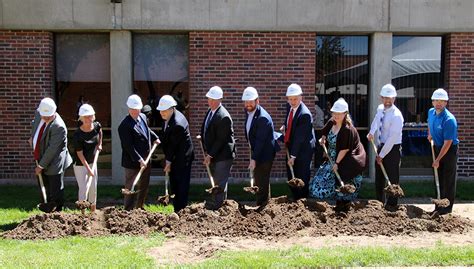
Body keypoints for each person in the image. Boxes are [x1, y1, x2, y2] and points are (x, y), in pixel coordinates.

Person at [309, 98, 366, 210]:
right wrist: (323, 139)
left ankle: (344, 196)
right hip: (332, 157)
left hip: (347, 159)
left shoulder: (347, 129)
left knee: (339, 191)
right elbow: (324, 133)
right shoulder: (332, 121)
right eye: (334, 113)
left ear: (345, 114)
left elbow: (344, 150)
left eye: (339, 114)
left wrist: (336, 164)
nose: (336, 116)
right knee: (316, 188)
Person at [28, 97, 73, 213]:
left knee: (55, 190)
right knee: (44, 187)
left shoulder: (59, 127)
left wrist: (40, 166)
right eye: (44, 116)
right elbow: (35, 126)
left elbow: (52, 150)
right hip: (41, 156)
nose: (46, 118)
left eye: (49, 116)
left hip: (54, 162)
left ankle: (57, 215)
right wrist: (33, 139)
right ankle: (45, 214)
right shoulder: (39, 114)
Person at [118, 94, 160, 210]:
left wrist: (155, 137)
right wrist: (139, 160)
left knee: (144, 186)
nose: (136, 111)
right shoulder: (124, 126)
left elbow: (146, 130)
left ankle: (140, 208)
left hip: (146, 159)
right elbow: (128, 146)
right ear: (129, 108)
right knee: (131, 186)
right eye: (133, 109)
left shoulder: (142, 116)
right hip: (132, 162)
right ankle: (128, 210)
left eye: (137, 109)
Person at [367, 84, 404, 209]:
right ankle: (379, 203)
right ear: (381, 98)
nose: (387, 101)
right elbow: (377, 120)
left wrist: (382, 155)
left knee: (392, 177)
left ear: (394, 98)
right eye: (385, 98)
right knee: (380, 177)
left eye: (390, 98)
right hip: (380, 145)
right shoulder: (380, 109)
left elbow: (392, 138)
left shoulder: (397, 116)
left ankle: (392, 205)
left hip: (392, 148)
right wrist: (372, 132)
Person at [242, 87, 280, 206]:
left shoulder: (262, 118)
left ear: (257, 101)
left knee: (261, 181)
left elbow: (260, 141)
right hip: (258, 150)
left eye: (251, 101)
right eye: (246, 101)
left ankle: (262, 207)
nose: (248, 104)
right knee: (261, 180)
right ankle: (264, 205)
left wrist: (254, 159)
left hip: (264, 154)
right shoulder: (250, 112)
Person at [157, 95, 195, 212]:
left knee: (181, 186)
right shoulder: (171, 116)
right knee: (175, 185)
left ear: (171, 108)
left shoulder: (177, 124)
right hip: (176, 156)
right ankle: (177, 209)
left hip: (182, 159)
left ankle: (181, 211)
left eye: (164, 111)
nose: (161, 113)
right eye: (160, 111)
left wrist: (168, 161)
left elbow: (173, 146)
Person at [200, 86, 235, 209]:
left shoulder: (223, 116)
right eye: (209, 99)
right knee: (216, 180)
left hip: (223, 155)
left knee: (219, 182)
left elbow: (221, 140)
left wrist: (210, 155)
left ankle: (218, 207)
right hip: (215, 153)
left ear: (220, 100)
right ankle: (217, 204)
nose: (211, 102)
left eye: (214, 100)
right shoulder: (211, 111)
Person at [280, 83, 316, 200]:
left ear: (301, 97)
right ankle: (295, 200)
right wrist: (285, 127)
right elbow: (290, 122)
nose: (293, 101)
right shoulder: (289, 106)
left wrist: (293, 156)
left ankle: (303, 202)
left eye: (295, 99)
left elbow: (299, 138)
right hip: (293, 146)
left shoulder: (304, 114)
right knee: (291, 175)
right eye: (290, 99)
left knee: (301, 177)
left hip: (303, 150)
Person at [427, 88, 459, 215]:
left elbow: (448, 142)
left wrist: (438, 160)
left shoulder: (449, 120)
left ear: (446, 103)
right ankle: (438, 207)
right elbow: (430, 122)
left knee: (448, 179)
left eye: (441, 101)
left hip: (449, 150)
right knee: (437, 177)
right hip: (437, 146)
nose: (438, 103)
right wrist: (430, 133)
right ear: (432, 102)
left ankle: (446, 210)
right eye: (436, 100)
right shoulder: (431, 112)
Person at [72, 104, 103, 213]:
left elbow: (100, 132)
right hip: (80, 164)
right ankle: (83, 214)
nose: (88, 119)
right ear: (81, 118)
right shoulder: (77, 135)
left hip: (92, 161)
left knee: (93, 188)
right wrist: (88, 169)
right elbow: (80, 154)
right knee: (83, 188)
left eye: (90, 116)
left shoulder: (96, 126)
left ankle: (93, 212)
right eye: (85, 117)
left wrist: (100, 144)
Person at [313, 95, 325, 169]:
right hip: (320, 129)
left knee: (317, 148)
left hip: (316, 130)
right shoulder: (320, 109)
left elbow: (314, 121)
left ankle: (317, 164)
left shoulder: (315, 109)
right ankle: (319, 163)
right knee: (319, 148)